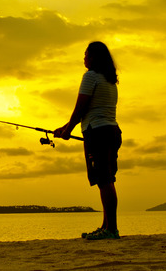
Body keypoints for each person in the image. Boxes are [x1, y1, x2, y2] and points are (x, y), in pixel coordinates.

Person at [54, 41, 122, 240]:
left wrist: (68, 130)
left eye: (86, 54)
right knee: (106, 179)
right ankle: (106, 226)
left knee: (104, 180)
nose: (83, 58)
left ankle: (111, 229)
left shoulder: (90, 76)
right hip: (112, 131)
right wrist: (65, 128)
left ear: (93, 57)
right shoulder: (109, 80)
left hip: (97, 132)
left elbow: (81, 107)